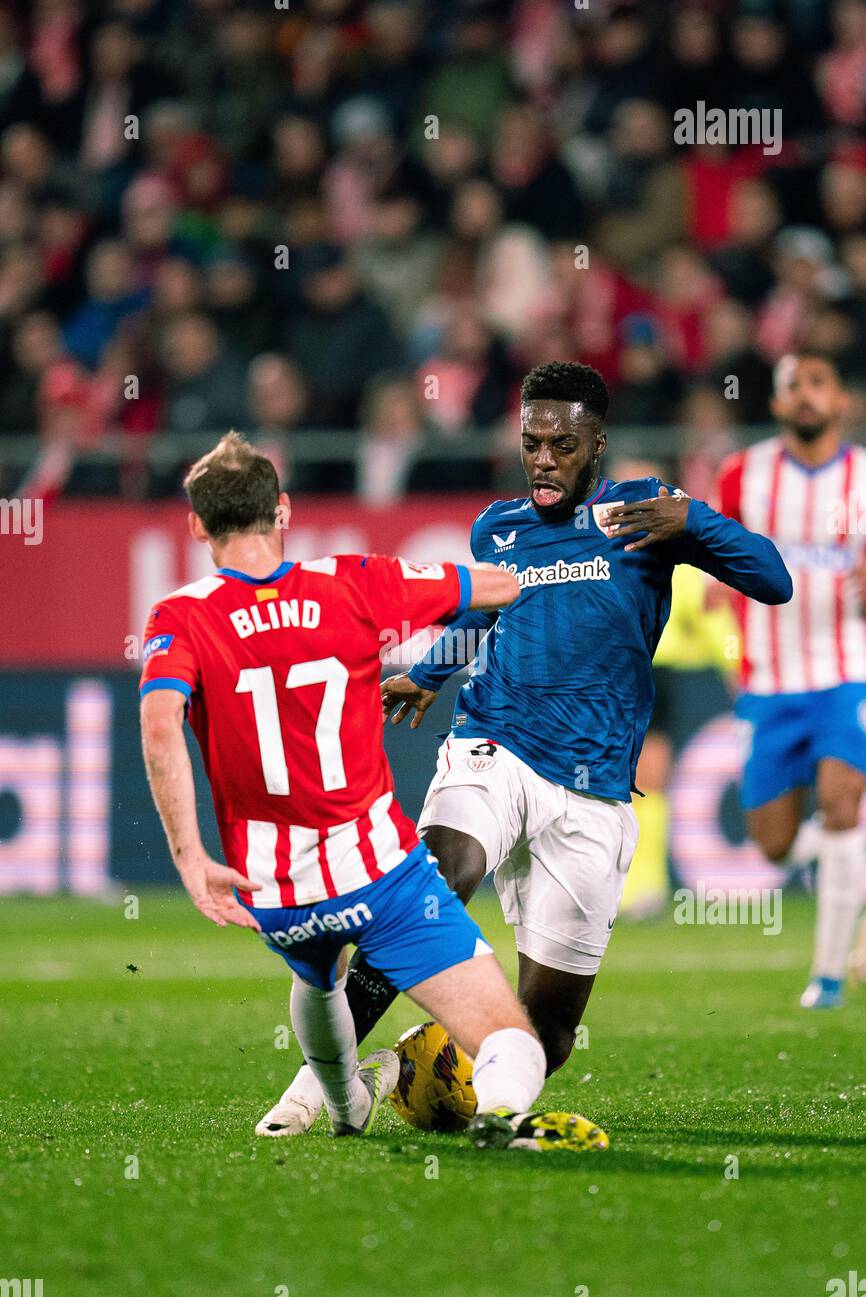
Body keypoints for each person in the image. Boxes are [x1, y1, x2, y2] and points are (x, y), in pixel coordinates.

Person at [272, 360, 792, 1134]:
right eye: (532, 441)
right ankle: (319, 1093)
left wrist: (693, 522)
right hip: (495, 746)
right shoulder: (498, 527)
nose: (544, 458)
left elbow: (774, 580)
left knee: (548, 1034)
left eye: (563, 443)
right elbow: (490, 611)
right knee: (434, 887)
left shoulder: (641, 515)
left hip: (595, 793)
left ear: (598, 444)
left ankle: (429, 1078)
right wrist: (431, 672)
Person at [139, 429, 609, 1153]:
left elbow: (160, 722)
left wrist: (189, 855)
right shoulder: (351, 582)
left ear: (197, 524)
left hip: (276, 892)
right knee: (510, 1036)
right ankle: (503, 1114)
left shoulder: (180, 616)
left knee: (319, 977)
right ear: (284, 511)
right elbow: (500, 585)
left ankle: (341, 1102)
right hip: (381, 875)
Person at [715, 352, 866, 1009]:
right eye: (791, 388)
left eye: (817, 384)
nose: (804, 396)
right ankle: (852, 870)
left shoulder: (864, 477)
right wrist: (730, 657)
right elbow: (715, 575)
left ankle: (827, 978)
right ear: (775, 405)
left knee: (841, 802)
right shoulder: (742, 476)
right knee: (772, 843)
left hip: (848, 673)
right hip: (770, 682)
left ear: (841, 401)